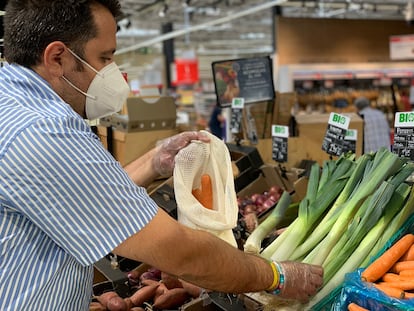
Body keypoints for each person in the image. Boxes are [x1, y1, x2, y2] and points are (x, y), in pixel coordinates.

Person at [0, 1, 323, 310]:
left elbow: (85, 198)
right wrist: (275, 276)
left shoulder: (14, 102)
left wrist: (154, 161)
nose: (111, 72)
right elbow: (179, 253)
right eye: (105, 58)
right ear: (57, 57)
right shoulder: (45, 131)